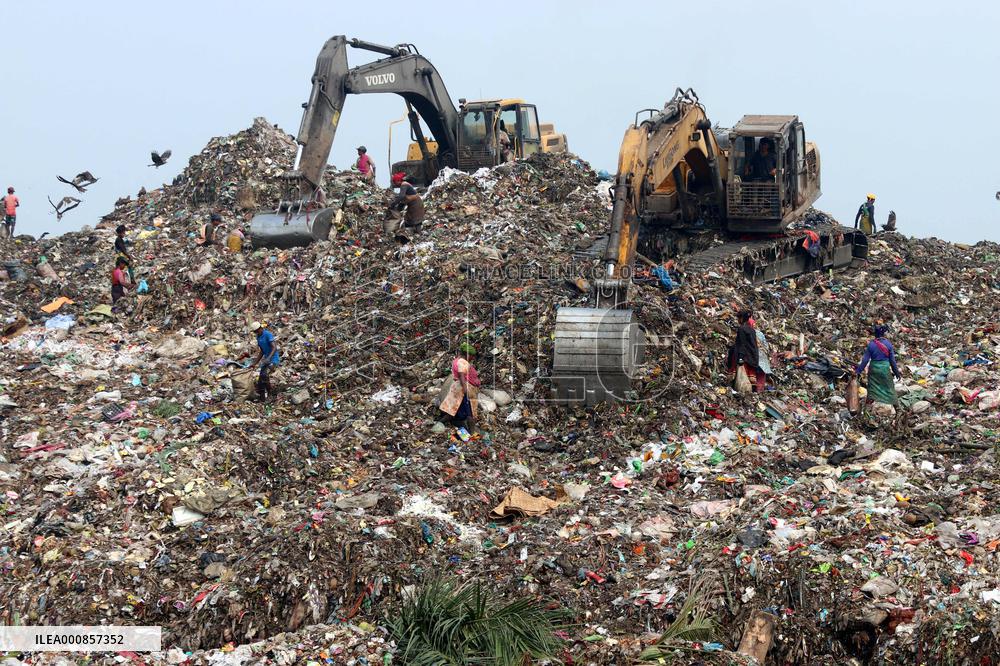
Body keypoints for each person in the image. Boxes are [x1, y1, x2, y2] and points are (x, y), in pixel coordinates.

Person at [856, 324, 902, 406]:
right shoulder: (888, 344)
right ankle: (896, 407)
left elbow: (865, 360)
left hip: (874, 369)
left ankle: (868, 407)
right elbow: (892, 361)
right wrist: (896, 373)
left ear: (875, 334)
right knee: (889, 388)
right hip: (884, 369)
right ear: (883, 333)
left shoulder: (871, 344)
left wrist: (858, 371)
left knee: (872, 388)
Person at [440, 344, 481, 432]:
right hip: (464, 389)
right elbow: (462, 375)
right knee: (470, 413)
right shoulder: (463, 362)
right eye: (472, 356)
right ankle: (472, 433)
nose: (472, 358)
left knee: (452, 410)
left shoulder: (456, 360)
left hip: (457, 388)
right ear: (467, 354)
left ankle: (439, 423)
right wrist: (465, 389)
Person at [728, 310, 766, 392]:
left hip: (744, 356)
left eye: (738, 318)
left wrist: (740, 357)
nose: (738, 320)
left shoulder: (741, 329)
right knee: (750, 377)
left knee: (741, 375)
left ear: (741, 319)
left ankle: (739, 391)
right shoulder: (752, 330)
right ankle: (750, 393)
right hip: (752, 356)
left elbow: (742, 344)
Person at [249, 321, 281, 401]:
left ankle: (271, 395)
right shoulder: (258, 337)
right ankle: (262, 398)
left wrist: (269, 358)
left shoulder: (267, 334)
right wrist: (254, 363)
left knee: (265, 375)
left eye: (257, 331)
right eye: (255, 332)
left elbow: (274, 347)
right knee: (260, 380)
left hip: (273, 359)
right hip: (266, 360)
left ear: (260, 328)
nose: (256, 333)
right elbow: (262, 351)